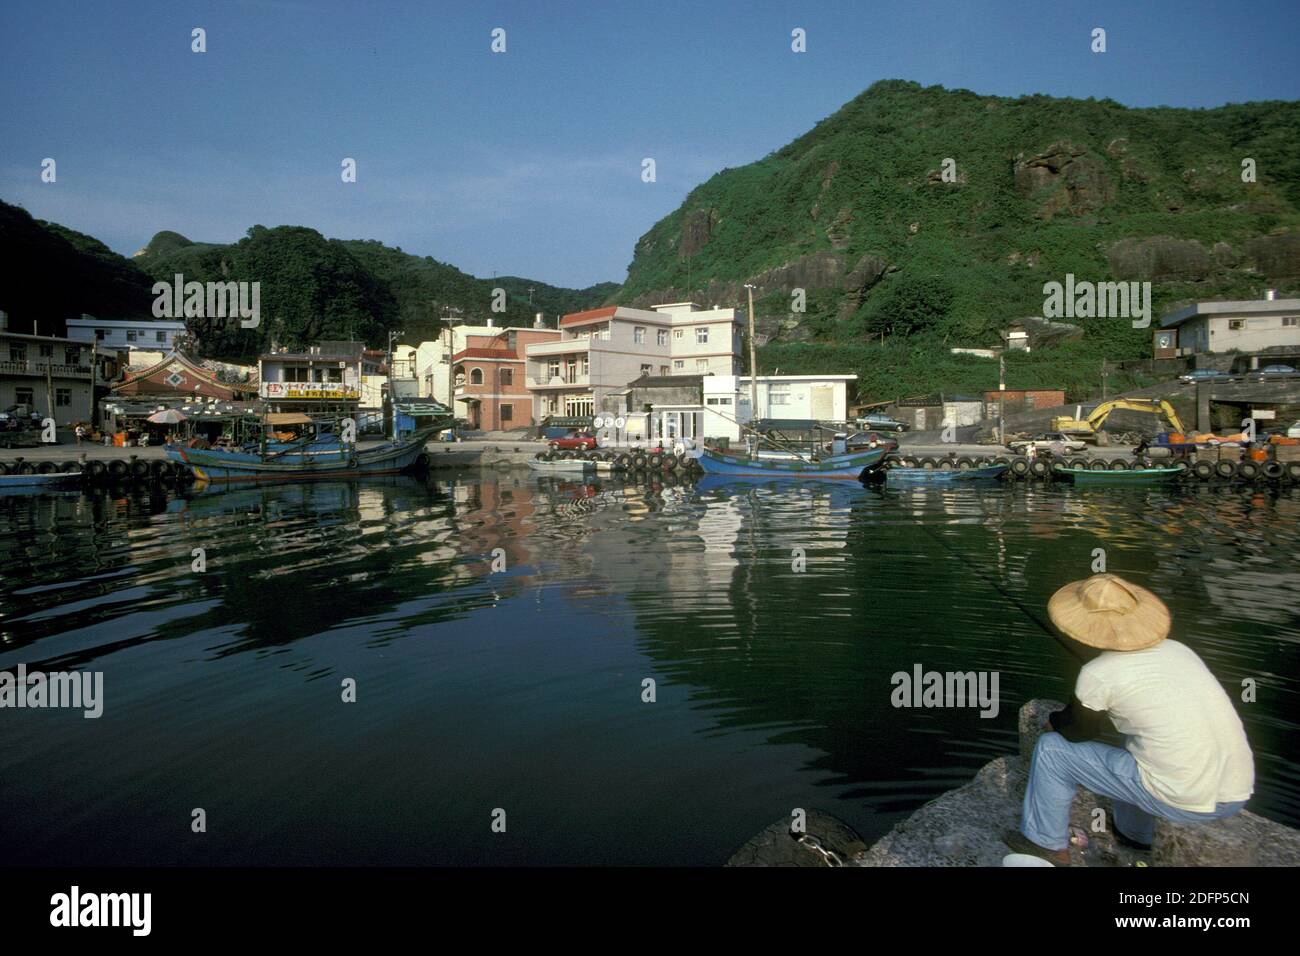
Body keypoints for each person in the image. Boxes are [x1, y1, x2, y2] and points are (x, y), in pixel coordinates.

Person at [1006, 573, 1254, 865]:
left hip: (1184, 801)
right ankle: (1135, 834)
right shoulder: (1179, 650)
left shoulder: (1098, 673)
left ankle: (1045, 844)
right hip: (1237, 790)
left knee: (1051, 750)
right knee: (1140, 740)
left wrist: (1055, 721)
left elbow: (1076, 732)